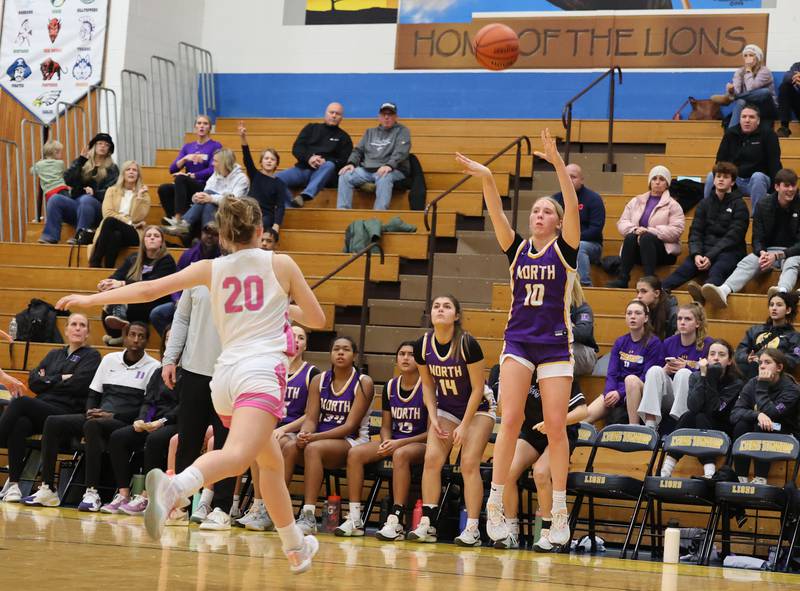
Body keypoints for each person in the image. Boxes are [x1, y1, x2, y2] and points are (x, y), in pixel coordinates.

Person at [56, 195, 326, 574]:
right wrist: (283, 303)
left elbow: (148, 292)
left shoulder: (209, 269)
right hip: (259, 373)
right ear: (261, 230)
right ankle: (175, 488)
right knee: (236, 458)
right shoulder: (280, 263)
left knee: (269, 463)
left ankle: (296, 547)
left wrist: (88, 298)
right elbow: (317, 317)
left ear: (226, 236)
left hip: (225, 378)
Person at [456, 129, 577, 548]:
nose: (538, 215)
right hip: (519, 342)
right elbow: (497, 217)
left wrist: (558, 163)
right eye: (536, 211)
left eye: (546, 212)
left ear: (559, 222)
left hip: (556, 345)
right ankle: (493, 504)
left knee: (557, 427)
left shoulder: (566, 249)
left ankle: (558, 512)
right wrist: (488, 177)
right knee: (510, 420)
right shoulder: (517, 249)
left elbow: (571, 202)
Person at [21, 322, 158, 508]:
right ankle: (48, 489)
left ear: (146, 340)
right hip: (99, 416)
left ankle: (92, 493)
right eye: (132, 334)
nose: (135, 339)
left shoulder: (153, 367)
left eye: (141, 336)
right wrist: (90, 411)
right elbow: (93, 394)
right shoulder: (110, 359)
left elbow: (147, 407)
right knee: (53, 422)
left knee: (92, 426)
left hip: (123, 421)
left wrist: (113, 415)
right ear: (124, 337)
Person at [406, 295, 495, 546]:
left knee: (468, 463)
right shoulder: (422, 345)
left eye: (446, 307)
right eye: (436, 306)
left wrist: (465, 425)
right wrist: (433, 417)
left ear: (456, 316)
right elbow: (426, 383)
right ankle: (428, 523)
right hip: (446, 408)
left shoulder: (467, 343)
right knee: (432, 459)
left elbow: (478, 388)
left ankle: (473, 528)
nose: (440, 310)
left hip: (479, 408)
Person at [0, 314, 100, 503]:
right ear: (66, 329)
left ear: (87, 332)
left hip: (67, 412)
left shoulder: (92, 356)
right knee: (20, 423)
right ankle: (13, 485)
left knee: (20, 402)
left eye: (82, 325)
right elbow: (34, 381)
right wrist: (60, 378)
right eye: (73, 324)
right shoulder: (54, 354)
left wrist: (48, 379)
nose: (77, 328)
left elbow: (79, 384)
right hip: (42, 407)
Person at [160, 278, 233, 530]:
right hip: (193, 372)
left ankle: (222, 508)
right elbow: (181, 320)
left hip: (230, 373)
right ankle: (180, 505)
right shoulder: (197, 276)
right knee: (187, 441)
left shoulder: (246, 277)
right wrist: (170, 358)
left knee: (226, 445)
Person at [335, 341, 428, 539]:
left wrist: (397, 444)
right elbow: (386, 426)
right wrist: (386, 441)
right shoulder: (390, 386)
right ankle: (355, 518)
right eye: (401, 353)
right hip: (395, 442)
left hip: (421, 444)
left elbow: (431, 432)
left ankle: (396, 520)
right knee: (355, 453)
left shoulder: (428, 387)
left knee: (401, 454)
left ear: (419, 360)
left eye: (410, 354)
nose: (405, 357)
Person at [488, 366, 587, 551]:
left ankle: (548, 533)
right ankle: (511, 531)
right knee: (508, 471)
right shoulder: (520, 371)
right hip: (532, 432)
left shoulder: (559, 370)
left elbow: (583, 411)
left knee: (541, 473)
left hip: (560, 432)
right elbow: (504, 410)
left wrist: (555, 422)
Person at [237, 325, 320, 532]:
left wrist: (284, 429)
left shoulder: (312, 373)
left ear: (305, 344)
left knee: (272, 443)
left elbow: (310, 414)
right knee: (257, 443)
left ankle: (270, 509)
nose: (297, 341)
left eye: (301, 338)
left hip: (293, 430)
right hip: (270, 427)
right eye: (293, 337)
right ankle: (259, 506)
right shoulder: (271, 368)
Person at [292, 337, 373, 534]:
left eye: (346, 349)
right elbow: (311, 419)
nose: (340, 353)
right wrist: (305, 432)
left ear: (354, 355)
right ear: (330, 354)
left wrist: (314, 438)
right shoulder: (319, 381)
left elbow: (350, 426)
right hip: (320, 441)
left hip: (351, 440)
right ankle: (269, 509)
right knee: (287, 446)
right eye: (336, 349)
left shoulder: (363, 382)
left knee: (312, 448)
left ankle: (309, 515)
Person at [100, 327, 180, 515]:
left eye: (175, 339)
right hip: (153, 422)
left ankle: (146, 496)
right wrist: (141, 419)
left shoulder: (189, 373)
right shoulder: (159, 371)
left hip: (174, 422)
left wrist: (160, 421)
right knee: (119, 437)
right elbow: (148, 401)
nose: (171, 343)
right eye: (167, 339)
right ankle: (123, 494)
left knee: (154, 440)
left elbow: (183, 407)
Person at [702, 169, 800, 308]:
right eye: (786, 185)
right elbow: (757, 238)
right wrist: (762, 252)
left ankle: (782, 292)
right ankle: (724, 290)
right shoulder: (763, 205)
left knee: (792, 263)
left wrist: (779, 255)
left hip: (793, 252)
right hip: (768, 252)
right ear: (777, 187)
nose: (791, 189)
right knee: (748, 261)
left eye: (793, 185)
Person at [662, 161, 748, 300]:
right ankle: (659, 291)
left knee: (717, 270)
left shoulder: (740, 205)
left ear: (732, 182)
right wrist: (696, 254)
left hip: (729, 251)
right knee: (683, 270)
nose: (720, 179)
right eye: (718, 176)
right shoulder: (704, 203)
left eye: (725, 177)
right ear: (713, 179)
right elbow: (695, 232)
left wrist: (710, 256)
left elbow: (733, 237)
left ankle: (704, 294)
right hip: (704, 251)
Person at [660, 339, 744, 479]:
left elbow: (715, 410)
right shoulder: (696, 376)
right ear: (706, 358)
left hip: (722, 429)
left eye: (722, 354)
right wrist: (704, 376)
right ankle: (666, 471)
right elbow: (693, 406)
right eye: (712, 354)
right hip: (700, 424)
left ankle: (710, 472)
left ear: (729, 361)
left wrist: (710, 378)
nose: (716, 357)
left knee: (700, 416)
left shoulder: (735, 383)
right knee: (689, 416)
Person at [632, 303, 713, 429]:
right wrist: (666, 370)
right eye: (679, 318)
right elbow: (657, 371)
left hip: (693, 396)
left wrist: (688, 367)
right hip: (669, 393)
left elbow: (709, 375)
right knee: (654, 370)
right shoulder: (669, 342)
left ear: (697, 323)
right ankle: (650, 424)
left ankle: (681, 424)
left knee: (683, 373)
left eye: (687, 319)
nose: (682, 322)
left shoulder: (708, 345)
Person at [585, 300, 662, 425]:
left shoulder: (653, 343)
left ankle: (634, 428)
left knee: (631, 380)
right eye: (629, 313)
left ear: (646, 318)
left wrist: (620, 393)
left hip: (639, 389)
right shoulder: (620, 342)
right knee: (584, 418)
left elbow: (646, 377)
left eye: (637, 313)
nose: (632, 316)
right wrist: (610, 392)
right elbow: (612, 373)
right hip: (617, 391)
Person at [729, 348, 800, 484]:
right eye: (760, 362)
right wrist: (757, 414)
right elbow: (734, 414)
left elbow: (772, 414)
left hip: (786, 431)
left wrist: (762, 386)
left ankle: (761, 477)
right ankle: (741, 477)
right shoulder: (752, 383)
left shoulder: (792, 389)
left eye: (767, 362)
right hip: (763, 425)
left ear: (779, 367)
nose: (761, 366)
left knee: (763, 424)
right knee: (741, 424)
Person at [607, 165, 684, 287]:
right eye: (654, 178)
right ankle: (623, 278)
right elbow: (622, 223)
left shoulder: (674, 205)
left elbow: (676, 231)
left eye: (662, 179)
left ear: (667, 183)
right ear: (650, 182)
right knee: (630, 237)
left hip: (664, 252)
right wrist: (635, 229)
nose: (657, 182)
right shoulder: (636, 201)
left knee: (647, 237)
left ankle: (649, 279)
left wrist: (649, 231)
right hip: (638, 249)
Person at [99, 225, 177, 344]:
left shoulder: (167, 260)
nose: (152, 238)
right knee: (107, 304)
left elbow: (151, 284)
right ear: (144, 240)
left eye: (156, 236)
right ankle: (117, 335)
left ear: (162, 242)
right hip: (135, 300)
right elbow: (118, 274)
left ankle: (120, 332)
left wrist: (121, 284)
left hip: (154, 300)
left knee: (116, 301)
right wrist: (107, 283)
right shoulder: (134, 258)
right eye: (148, 236)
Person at [40, 133, 118, 245]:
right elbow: (67, 180)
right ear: (93, 146)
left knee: (86, 199)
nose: (102, 146)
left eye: (106, 145)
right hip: (78, 206)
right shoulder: (82, 161)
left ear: (109, 149)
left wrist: (94, 193)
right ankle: (50, 237)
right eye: (99, 143)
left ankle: (80, 236)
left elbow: (113, 192)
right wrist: (80, 161)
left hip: (98, 210)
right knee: (55, 199)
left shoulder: (112, 169)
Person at [702, 104, 782, 212]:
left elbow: (774, 163)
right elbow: (720, 161)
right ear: (739, 119)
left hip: (757, 182)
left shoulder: (769, 134)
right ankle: (707, 212)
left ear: (758, 121)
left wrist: (774, 190)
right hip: (734, 180)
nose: (747, 120)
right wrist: (727, 179)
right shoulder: (730, 133)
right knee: (712, 176)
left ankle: (757, 216)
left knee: (757, 177)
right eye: (744, 117)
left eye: (751, 117)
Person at [150, 221, 221, 336]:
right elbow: (176, 281)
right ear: (200, 234)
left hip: (210, 303)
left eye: (214, 234)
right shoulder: (189, 255)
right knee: (157, 314)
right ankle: (171, 339)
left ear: (220, 237)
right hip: (186, 301)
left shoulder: (223, 256)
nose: (209, 236)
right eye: (206, 232)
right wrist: (177, 299)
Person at [275, 102, 353, 208]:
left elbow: (344, 160)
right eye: (331, 112)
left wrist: (326, 161)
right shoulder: (311, 128)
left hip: (326, 174)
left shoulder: (344, 137)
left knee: (330, 165)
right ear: (325, 113)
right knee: (276, 179)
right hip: (304, 168)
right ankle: (291, 206)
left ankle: (305, 196)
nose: (334, 115)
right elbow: (297, 148)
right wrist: (309, 158)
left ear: (341, 117)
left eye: (337, 114)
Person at [337, 102, 411, 210]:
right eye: (383, 114)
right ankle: (343, 212)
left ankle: (378, 215)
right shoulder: (369, 132)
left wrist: (389, 165)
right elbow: (358, 150)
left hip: (393, 169)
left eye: (390, 114)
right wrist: (351, 163)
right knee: (345, 175)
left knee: (384, 177)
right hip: (368, 169)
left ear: (396, 117)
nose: (386, 117)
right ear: (379, 117)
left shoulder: (402, 131)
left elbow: (401, 152)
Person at [164, 150, 250, 238]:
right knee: (208, 202)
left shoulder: (241, 178)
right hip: (215, 209)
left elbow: (234, 201)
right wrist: (196, 197)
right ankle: (207, 236)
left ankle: (185, 224)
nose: (212, 164)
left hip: (232, 213)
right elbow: (205, 194)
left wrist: (211, 198)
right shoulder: (215, 175)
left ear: (224, 163)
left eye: (215, 161)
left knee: (209, 199)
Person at [158, 115, 222, 226]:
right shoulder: (188, 147)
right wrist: (185, 158)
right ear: (195, 127)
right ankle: (172, 217)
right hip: (186, 185)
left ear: (210, 128)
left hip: (204, 186)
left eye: (205, 124)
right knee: (164, 189)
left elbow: (213, 169)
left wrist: (193, 176)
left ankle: (178, 219)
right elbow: (172, 169)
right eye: (199, 123)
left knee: (181, 178)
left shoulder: (215, 146)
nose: (201, 126)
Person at [88, 160, 150, 268]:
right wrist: (128, 221)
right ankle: (108, 267)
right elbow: (107, 213)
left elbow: (137, 218)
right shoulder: (111, 190)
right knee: (115, 235)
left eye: (134, 170)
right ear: (123, 173)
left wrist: (139, 197)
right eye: (128, 169)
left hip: (134, 232)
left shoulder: (144, 195)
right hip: (113, 228)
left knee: (111, 222)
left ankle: (95, 259)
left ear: (138, 175)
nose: (131, 172)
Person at [551, 164, 605, 286]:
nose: (569, 180)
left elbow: (596, 229)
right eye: (566, 176)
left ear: (581, 179)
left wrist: (572, 240)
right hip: (562, 242)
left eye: (573, 177)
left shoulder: (594, 199)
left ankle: (584, 285)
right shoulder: (554, 200)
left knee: (578, 247)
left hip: (591, 244)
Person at [734, 291, 800, 380]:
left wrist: (770, 361)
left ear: (788, 310)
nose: (774, 308)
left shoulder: (795, 336)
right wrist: (747, 358)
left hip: (776, 375)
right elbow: (740, 351)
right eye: (771, 305)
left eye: (779, 305)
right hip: (751, 368)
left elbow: (794, 358)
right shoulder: (754, 330)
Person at [712, 44, 777, 128]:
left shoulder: (765, 71)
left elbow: (751, 88)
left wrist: (748, 70)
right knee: (740, 101)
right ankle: (731, 134)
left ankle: (729, 99)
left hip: (766, 108)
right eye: (745, 56)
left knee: (765, 92)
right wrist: (731, 91)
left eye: (751, 55)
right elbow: (737, 90)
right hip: (749, 106)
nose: (748, 58)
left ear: (757, 57)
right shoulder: (739, 72)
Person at [238, 121, 287, 232]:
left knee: (259, 224)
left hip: (265, 217)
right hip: (249, 212)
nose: (269, 161)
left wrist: (277, 224)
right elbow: (247, 158)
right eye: (266, 158)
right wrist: (243, 137)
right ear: (261, 162)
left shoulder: (279, 183)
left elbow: (280, 207)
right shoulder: (255, 175)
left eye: (272, 159)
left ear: (277, 164)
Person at [31, 140, 70, 229]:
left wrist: (39, 162)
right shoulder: (60, 163)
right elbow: (64, 173)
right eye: (60, 152)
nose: (61, 155)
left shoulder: (39, 165)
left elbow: (32, 171)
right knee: (66, 209)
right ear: (55, 153)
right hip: (62, 189)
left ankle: (54, 225)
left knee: (54, 211)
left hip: (50, 192)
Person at [636, 275, 678, 341]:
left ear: (656, 293)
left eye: (644, 291)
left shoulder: (673, 313)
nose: (639, 296)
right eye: (638, 292)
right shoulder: (642, 310)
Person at [571, 282, 599, 376]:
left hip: (582, 352)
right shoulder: (546, 306)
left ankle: (573, 389)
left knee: (565, 351)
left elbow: (583, 332)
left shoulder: (581, 307)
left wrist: (558, 332)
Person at [777, 61, 800, 138]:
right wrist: (796, 77)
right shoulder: (797, 65)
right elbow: (787, 77)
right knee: (785, 87)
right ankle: (784, 128)